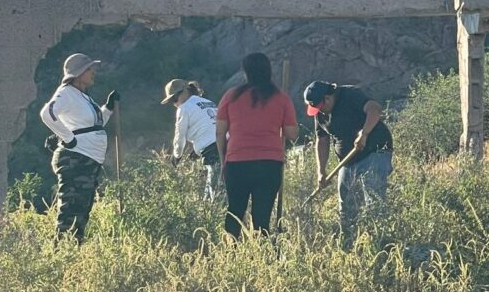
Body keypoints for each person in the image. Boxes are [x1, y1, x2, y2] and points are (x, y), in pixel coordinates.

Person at [216, 53, 298, 238]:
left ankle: (231, 255)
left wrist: (224, 161)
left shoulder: (231, 96)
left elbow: (220, 133)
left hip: (237, 162)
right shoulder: (281, 98)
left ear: (245, 72)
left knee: (235, 211)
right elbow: (292, 134)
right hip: (269, 164)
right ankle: (261, 256)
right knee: (262, 215)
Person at [39, 53, 120, 241]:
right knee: (71, 211)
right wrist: (68, 139)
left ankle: (72, 251)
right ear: (79, 72)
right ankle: (63, 254)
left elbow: (93, 124)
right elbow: (47, 113)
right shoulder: (66, 92)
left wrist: (107, 108)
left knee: (81, 212)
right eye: (89, 69)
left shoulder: (81, 96)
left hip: (87, 160)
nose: (93, 72)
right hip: (76, 159)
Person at [304, 80, 393, 234]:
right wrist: (321, 171)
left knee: (374, 200)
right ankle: (349, 241)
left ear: (327, 98)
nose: (320, 111)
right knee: (346, 204)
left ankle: (381, 239)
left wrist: (364, 134)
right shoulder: (320, 113)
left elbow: (375, 109)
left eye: (320, 106)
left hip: (374, 151)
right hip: (347, 161)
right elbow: (322, 140)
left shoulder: (350, 94)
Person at [161, 79, 220, 201]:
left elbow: (180, 136)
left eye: (174, 99)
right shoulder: (209, 102)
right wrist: (197, 150)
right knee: (212, 193)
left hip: (213, 152)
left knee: (217, 196)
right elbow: (209, 127)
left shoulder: (184, 108)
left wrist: (176, 156)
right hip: (229, 147)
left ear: (184, 92)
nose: (174, 104)